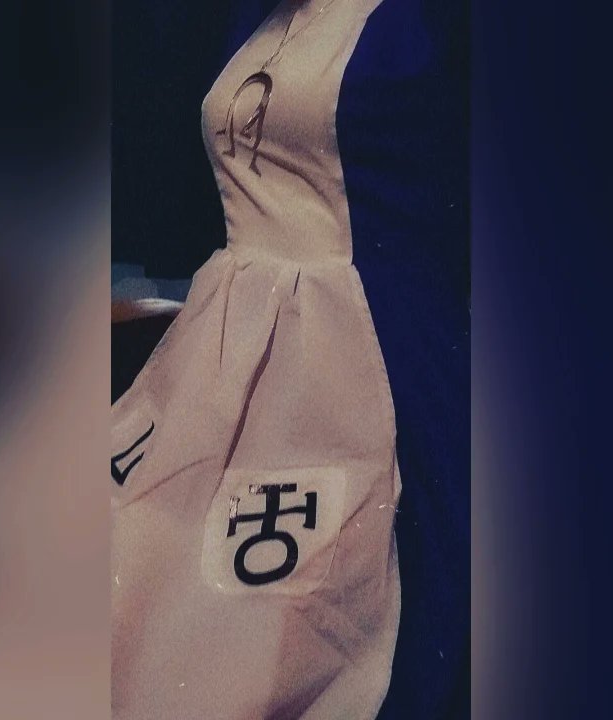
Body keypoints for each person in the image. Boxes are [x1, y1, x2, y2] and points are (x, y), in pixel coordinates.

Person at [111, 0, 469, 718]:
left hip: (364, 346)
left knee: (283, 616)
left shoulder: (427, 24)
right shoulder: (252, 18)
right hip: (225, 338)